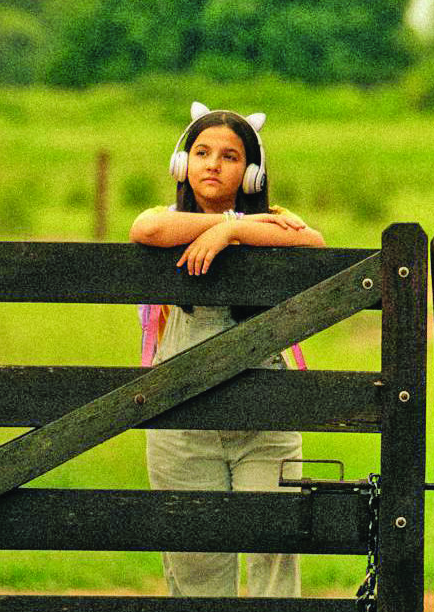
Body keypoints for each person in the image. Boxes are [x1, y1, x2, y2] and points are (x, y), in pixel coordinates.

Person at [130, 101, 325, 598]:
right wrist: (219, 227)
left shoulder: (276, 221)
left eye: (230, 156)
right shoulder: (165, 220)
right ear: (183, 164)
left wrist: (234, 229)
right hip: (184, 424)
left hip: (265, 423)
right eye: (201, 152)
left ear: (253, 172)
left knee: (273, 555)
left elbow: (316, 244)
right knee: (194, 564)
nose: (213, 164)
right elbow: (146, 231)